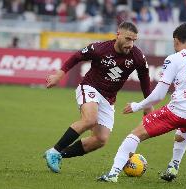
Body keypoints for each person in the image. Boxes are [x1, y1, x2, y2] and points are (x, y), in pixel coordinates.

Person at [98, 23, 186, 183]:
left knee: (135, 134)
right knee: (185, 127)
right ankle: (174, 165)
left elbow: (159, 94)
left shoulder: (174, 58)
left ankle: (113, 174)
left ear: (176, 40)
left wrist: (137, 106)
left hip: (179, 112)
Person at [44, 21, 152, 173]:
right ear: (118, 35)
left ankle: (60, 154)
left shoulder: (137, 56)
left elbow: (145, 79)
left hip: (108, 99)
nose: (131, 44)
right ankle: (54, 151)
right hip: (90, 87)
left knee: (100, 140)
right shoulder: (100, 48)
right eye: (128, 39)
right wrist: (58, 76)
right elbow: (76, 56)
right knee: (90, 120)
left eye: (134, 40)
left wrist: (148, 104)